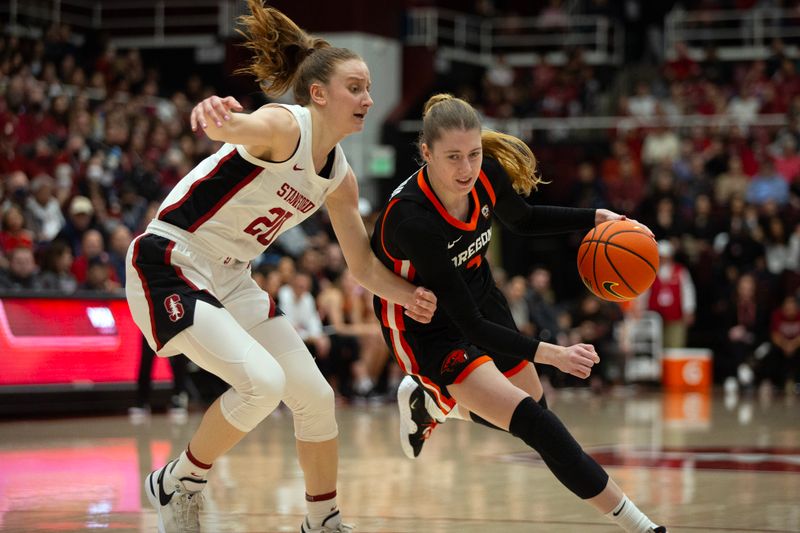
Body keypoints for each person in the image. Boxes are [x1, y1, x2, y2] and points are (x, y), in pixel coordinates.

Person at [124, 3, 436, 532]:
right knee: (262, 384)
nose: (368, 98)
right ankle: (179, 480)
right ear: (318, 94)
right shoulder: (284, 125)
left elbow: (360, 264)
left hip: (230, 277)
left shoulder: (339, 176)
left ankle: (323, 520)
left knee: (315, 398)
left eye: (368, 88)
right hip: (171, 260)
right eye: (356, 88)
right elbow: (234, 127)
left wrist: (408, 295)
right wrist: (217, 112)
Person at [370, 94, 666, 533]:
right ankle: (643, 526)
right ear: (426, 153)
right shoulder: (413, 219)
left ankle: (433, 404)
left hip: (481, 295)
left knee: (536, 409)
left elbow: (522, 218)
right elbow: (468, 325)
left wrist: (596, 217)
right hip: (427, 325)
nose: (466, 169)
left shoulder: (485, 175)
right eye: (453, 157)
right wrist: (553, 354)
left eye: (473, 154)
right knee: (538, 424)